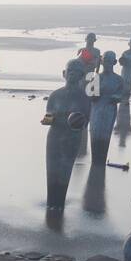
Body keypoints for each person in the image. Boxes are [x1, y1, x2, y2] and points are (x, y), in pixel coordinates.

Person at [42, 59, 91, 210]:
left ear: (82, 76)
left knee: (64, 170)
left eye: (76, 73)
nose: (72, 75)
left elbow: (85, 122)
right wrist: (48, 120)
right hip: (54, 136)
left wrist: (77, 121)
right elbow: (49, 115)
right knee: (52, 170)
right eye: (70, 72)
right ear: (64, 74)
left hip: (71, 138)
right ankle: (51, 202)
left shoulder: (84, 98)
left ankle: (59, 204)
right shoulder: (55, 96)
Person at [88, 50, 124, 160]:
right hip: (96, 109)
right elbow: (90, 94)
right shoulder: (96, 77)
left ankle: (102, 159)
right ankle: (95, 159)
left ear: (114, 62)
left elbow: (121, 95)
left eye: (110, 61)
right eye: (105, 60)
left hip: (109, 110)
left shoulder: (118, 79)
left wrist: (116, 98)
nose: (108, 63)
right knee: (95, 133)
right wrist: (94, 95)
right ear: (102, 62)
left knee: (105, 134)